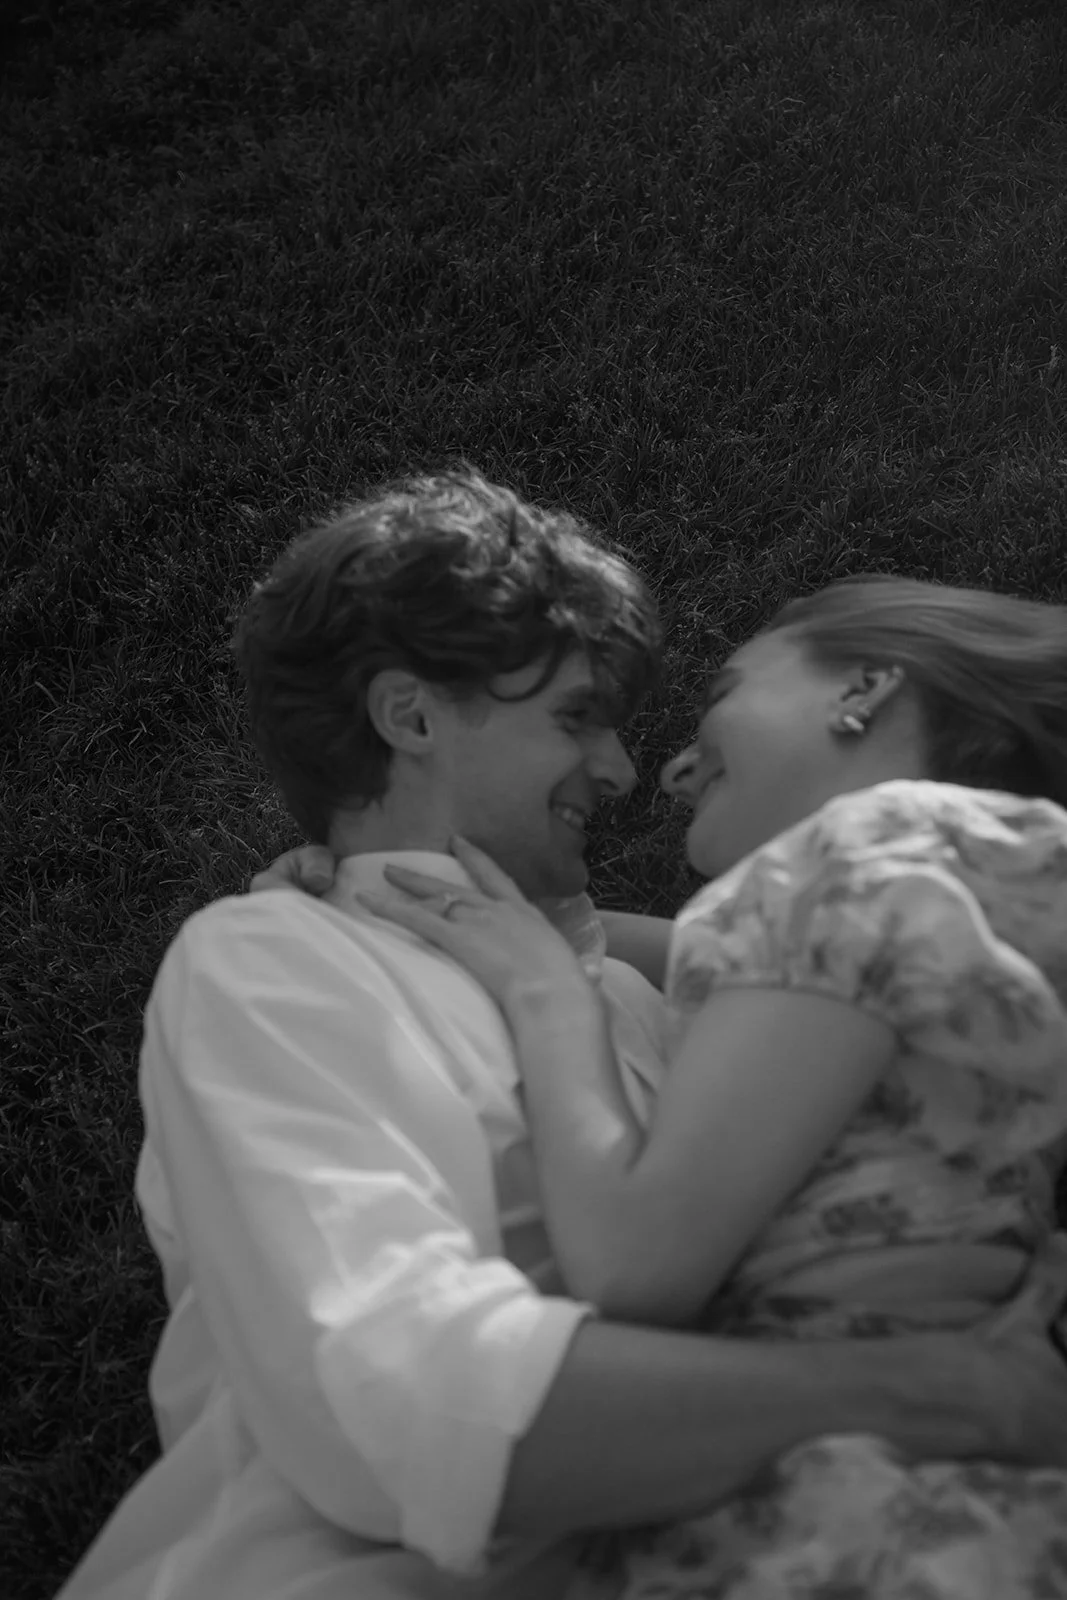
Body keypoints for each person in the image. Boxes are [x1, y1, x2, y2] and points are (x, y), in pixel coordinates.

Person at [54, 466, 1067, 1600]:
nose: (630, 771)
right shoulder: (272, 958)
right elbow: (398, 1402)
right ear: (411, 716)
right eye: (577, 718)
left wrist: (540, 958)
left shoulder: (641, 1000)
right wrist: (923, 1392)